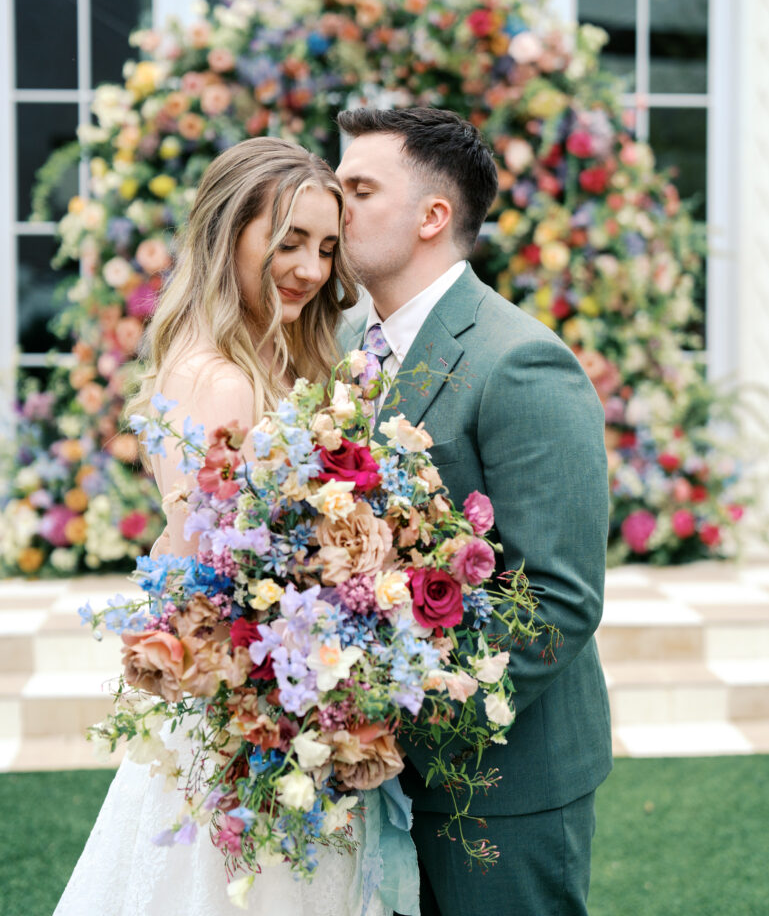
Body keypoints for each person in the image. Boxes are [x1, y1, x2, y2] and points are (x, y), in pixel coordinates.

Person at [54, 137, 394, 916]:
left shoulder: (272, 362)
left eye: (325, 247)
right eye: (287, 241)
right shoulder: (221, 380)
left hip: (275, 695)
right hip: (248, 714)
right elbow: (225, 580)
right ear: (227, 235)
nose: (309, 269)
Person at [336, 106, 612, 916]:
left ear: (433, 215)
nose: (334, 205)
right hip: (368, 770)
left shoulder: (520, 361)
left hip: (500, 779)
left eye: (359, 188)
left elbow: (557, 600)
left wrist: (396, 728)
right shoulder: (351, 340)